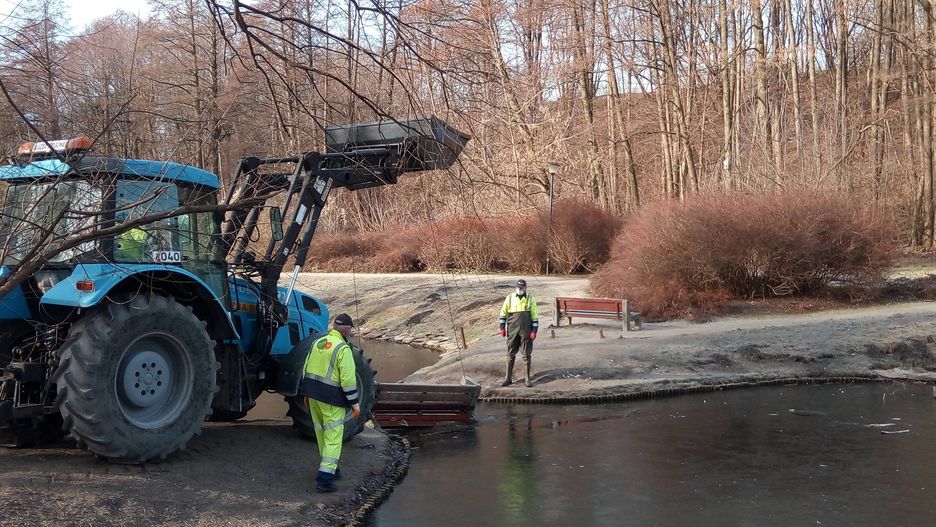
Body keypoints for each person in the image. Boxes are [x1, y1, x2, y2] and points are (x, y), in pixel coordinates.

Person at [299, 313, 361, 493]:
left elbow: (306, 367)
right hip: (331, 400)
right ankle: (324, 480)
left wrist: (306, 392)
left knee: (321, 435)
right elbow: (348, 380)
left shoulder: (317, 343)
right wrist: (355, 403)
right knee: (333, 439)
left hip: (313, 396)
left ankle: (332, 469)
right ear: (348, 330)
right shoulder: (343, 349)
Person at [498, 279, 539, 387]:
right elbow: (503, 313)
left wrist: (534, 331)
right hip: (512, 330)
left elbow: (534, 317)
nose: (520, 289)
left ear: (526, 288)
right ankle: (508, 378)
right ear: (516, 287)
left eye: (522, 287)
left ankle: (527, 378)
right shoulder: (510, 298)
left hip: (526, 330)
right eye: (518, 287)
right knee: (510, 353)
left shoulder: (531, 299)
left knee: (526, 354)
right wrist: (502, 327)